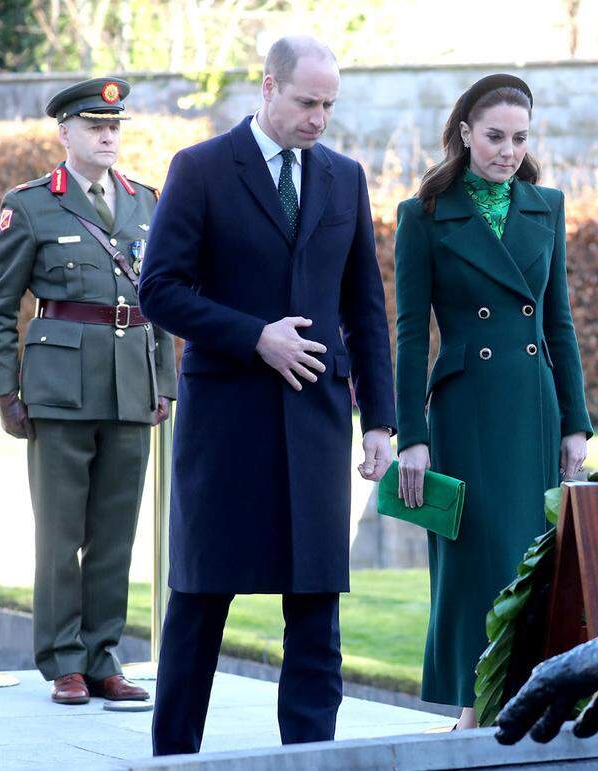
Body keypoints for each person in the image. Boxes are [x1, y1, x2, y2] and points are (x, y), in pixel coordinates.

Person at [138, 36, 396, 754]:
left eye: (329, 105)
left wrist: (380, 420)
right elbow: (158, 289)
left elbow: (365, 307)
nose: (319, 118)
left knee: (316, 609)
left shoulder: (345, 178)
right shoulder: (200, 169)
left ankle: (310, 758)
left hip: (316, 419)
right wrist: (256, 336)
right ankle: (173, 757)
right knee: (199, 599)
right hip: (227, 423)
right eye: (307, 102)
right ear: (267, 88)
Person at [393, 73, 592, 730]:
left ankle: (528, 697)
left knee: (532, 560)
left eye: (520, 138)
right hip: (465, 411)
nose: (508, 151)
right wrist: (411, 436)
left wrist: (577, 426)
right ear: (464, 135)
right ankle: (472, 704)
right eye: (495, 137)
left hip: (533, 408)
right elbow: (410, 331)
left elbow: (557, 322)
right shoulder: (423, 213)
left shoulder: (547, 205)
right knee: (473, 562)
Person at [0, 77, 174, 706]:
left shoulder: (147, 201)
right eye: (95, 126)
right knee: (60, 535)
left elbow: (162, 301)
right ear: (64, 131)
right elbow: (1, 306)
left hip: (129, 385)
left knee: (116, 533)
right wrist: (7, 392)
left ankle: (103, 657)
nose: (108, 136)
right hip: (60, 388)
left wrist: (163, 381)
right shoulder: (32, 203)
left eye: (115, 126)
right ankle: (62, 660)